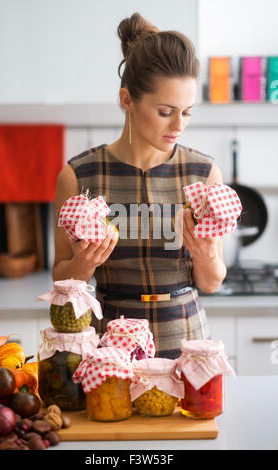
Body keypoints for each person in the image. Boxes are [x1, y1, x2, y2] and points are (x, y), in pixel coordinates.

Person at [52, 12, 227, 359]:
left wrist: (206, 255)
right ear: (127, 99)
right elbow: (60, 280)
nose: (179, 125)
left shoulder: (203, 174)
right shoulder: (79, 176)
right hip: (107, 350)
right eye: (166, 111)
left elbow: (210, 282)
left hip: (186, 345)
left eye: (187, 112)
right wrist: (83, 265)